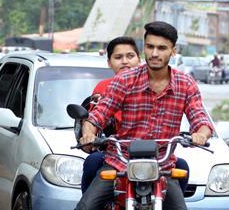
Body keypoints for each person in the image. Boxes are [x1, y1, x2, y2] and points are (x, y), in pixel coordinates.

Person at [66, 21, 213, 210]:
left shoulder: (186, 84)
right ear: (145, 47)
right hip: (119, 163)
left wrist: (201, 134)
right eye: (151, 47)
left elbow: (201, 119)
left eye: (162, 48)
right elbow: (100, 114)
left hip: (162, 167)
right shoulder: (125, 80)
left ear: (173, 51)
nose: (155, 53)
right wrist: (89, 132)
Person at [79, 36, 190, 194]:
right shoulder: (103, 87)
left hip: (154, 155)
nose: (125, 61)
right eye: (118, 57)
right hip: (117, 152)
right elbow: (95, 118)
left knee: (182, 167)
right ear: (109, 62)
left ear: (140, 59)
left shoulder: (156, 84)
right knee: (92, 162)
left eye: (130, 56)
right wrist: (89, 135)